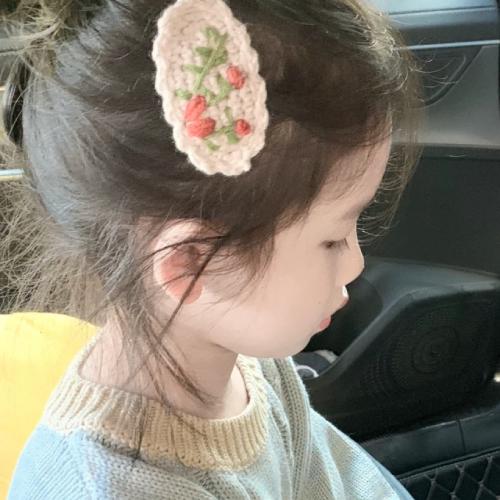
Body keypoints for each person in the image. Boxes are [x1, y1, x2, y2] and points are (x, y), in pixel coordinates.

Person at [3, 0, 422, 498]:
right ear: (192, 264)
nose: (354, 263)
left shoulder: (253, 365)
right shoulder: (109, 488)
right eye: (332, 240)